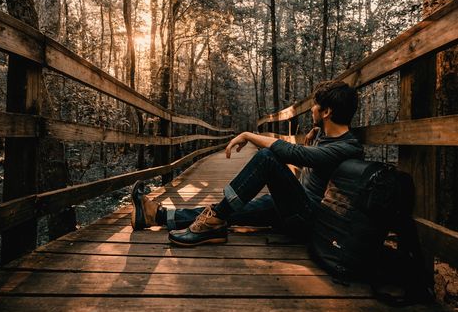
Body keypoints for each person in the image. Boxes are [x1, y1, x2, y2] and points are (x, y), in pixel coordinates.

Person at [131, 80, 363, 246]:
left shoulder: (347, 147)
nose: (312, 108)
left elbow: (294, 154)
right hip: (292, 207)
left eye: (316, 104)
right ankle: (157, 216)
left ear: (327, 112)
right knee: (232, 211)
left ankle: (211, 222)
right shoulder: (325, 136)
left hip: (310, 221)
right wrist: (311, 140)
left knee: (266, 158)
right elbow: (310, 165)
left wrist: (249, 135)